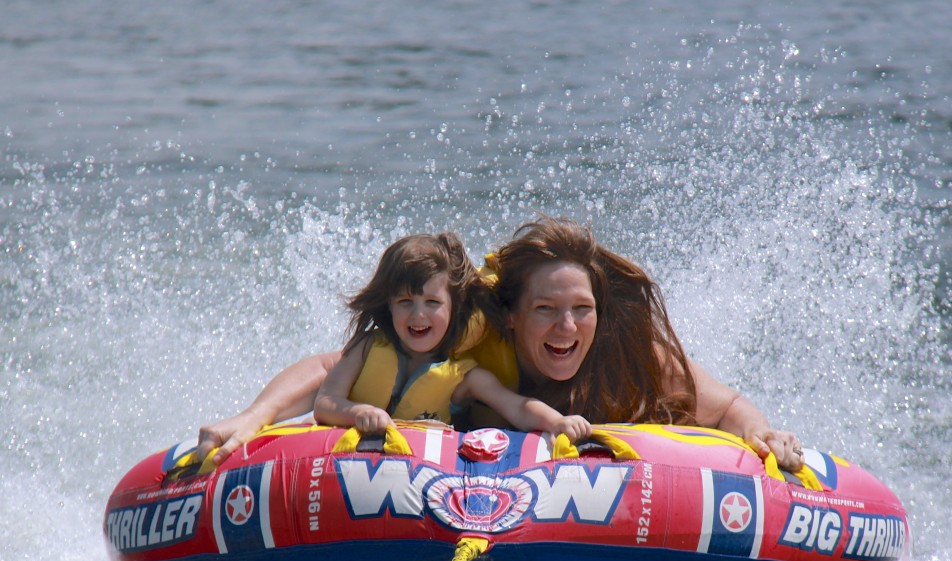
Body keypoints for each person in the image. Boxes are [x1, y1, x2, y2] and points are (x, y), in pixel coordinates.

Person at [197, 217, 803, 471]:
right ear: (512, 317)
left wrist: (763, 433)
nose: (566, 328)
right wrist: (255, 417)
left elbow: (726, 409)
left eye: (581, 311)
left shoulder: (627, 352)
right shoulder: (483, 347)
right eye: (546, 311)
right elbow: (331, 368)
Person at [309, 232, 590, 442]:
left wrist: (557, 422)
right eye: (406, 301)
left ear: (454, 306)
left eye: (432, 303)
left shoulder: (464, 376)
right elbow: (325, 402)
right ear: (389, 304)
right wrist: (357, 413)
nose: (419, 315)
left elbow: (516, 406)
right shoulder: (366, 347)